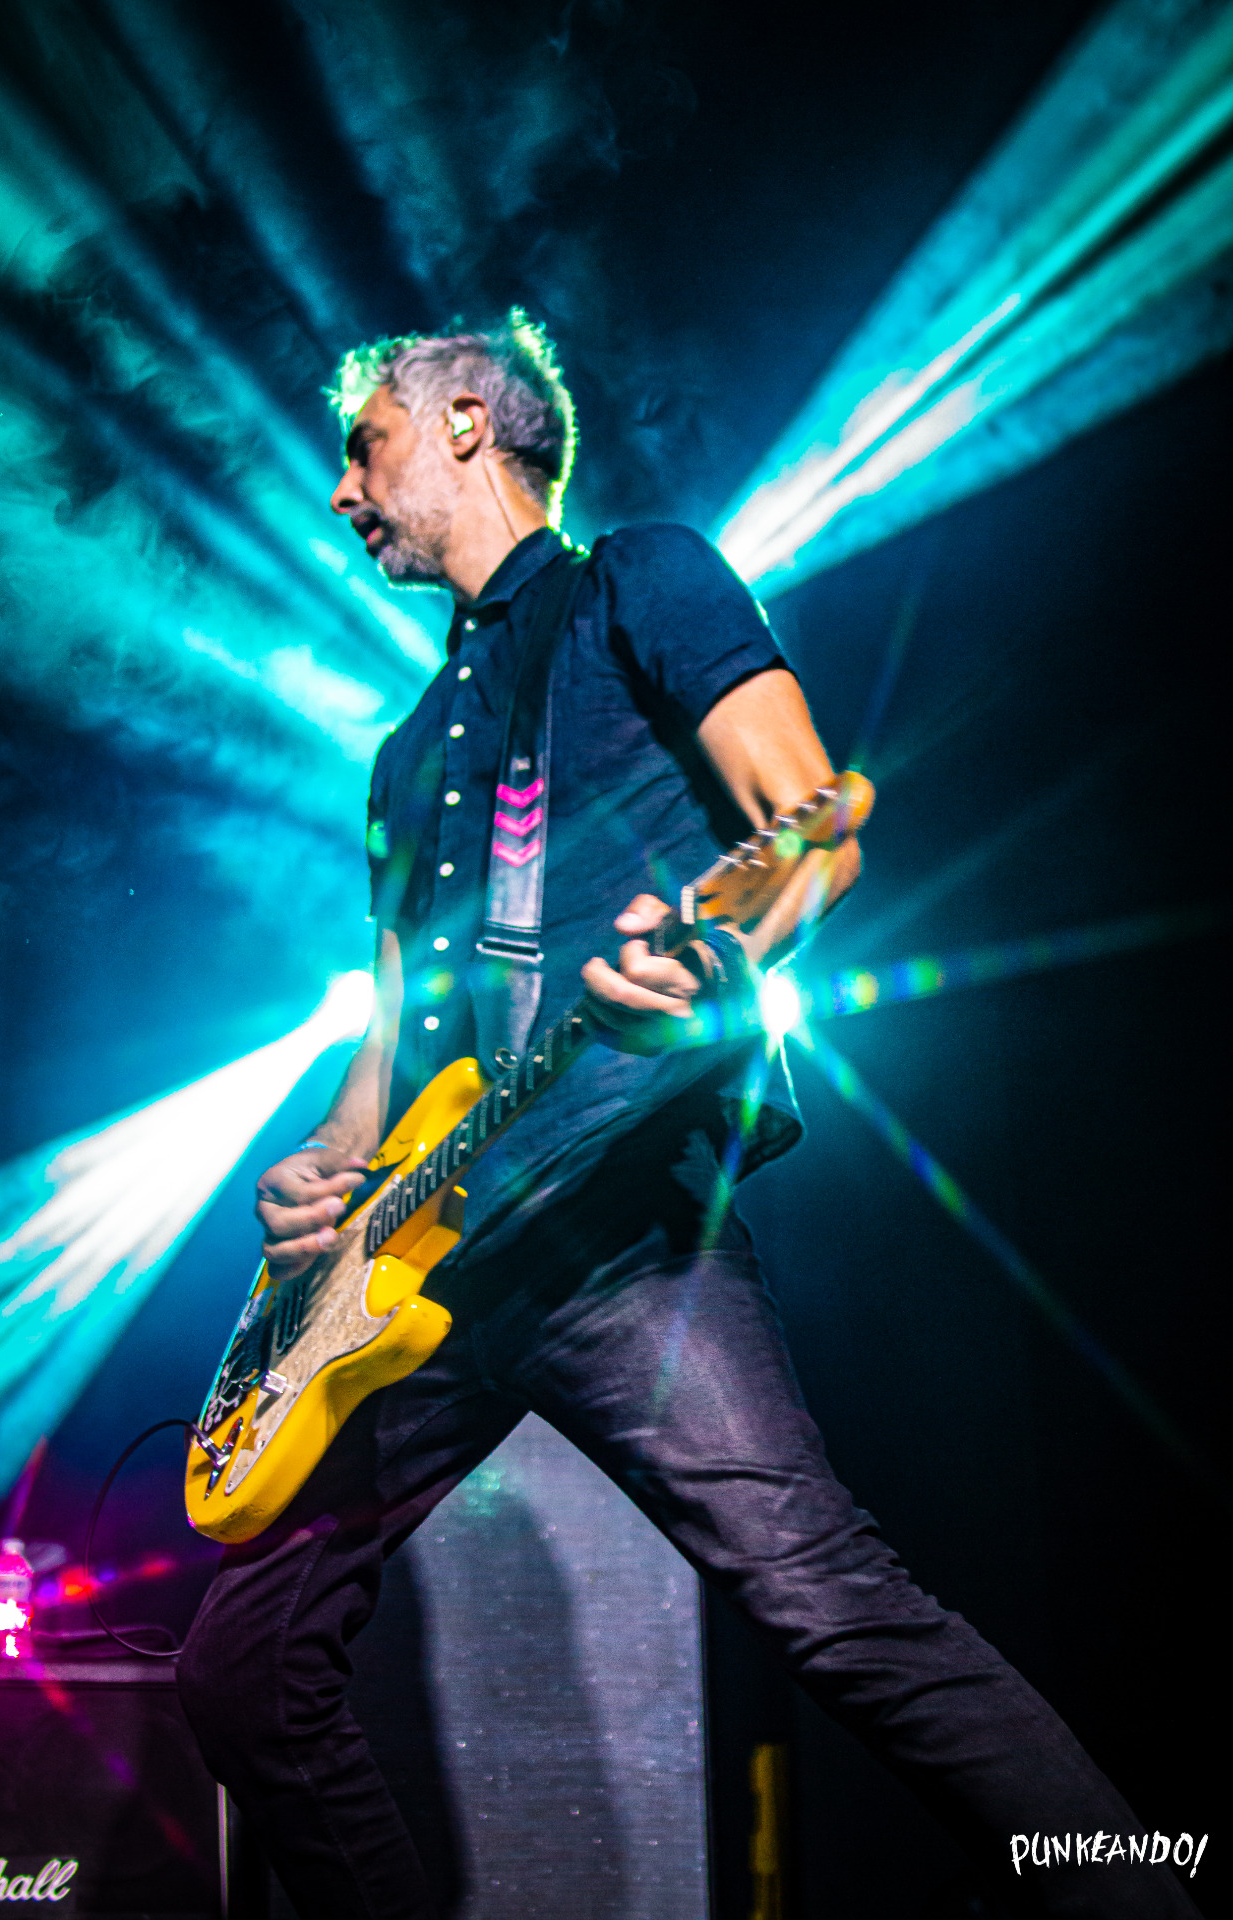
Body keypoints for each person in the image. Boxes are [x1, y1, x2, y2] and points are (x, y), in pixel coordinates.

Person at [177, 314, 1197, 1920]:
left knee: (830, 1606)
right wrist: (321, 1160)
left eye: (361, 446)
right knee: (240, 1678)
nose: (339, 492)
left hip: (613, 1226)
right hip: (418, 1273)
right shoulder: (402, 756)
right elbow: (394, 1027)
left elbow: (809, 826)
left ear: (465, 422)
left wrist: (714, 959)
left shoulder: (636, 581)